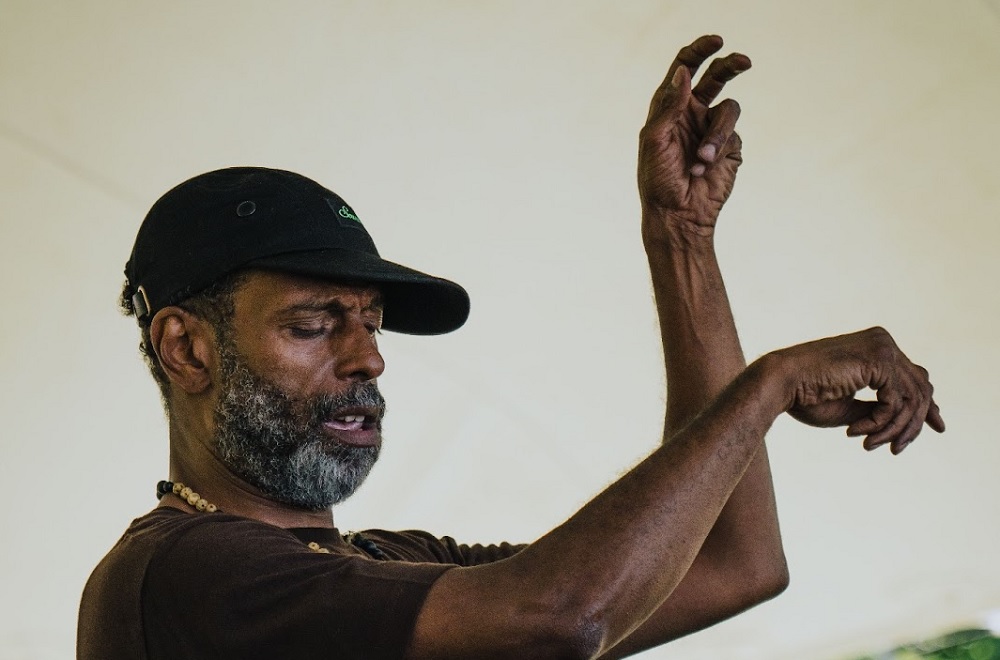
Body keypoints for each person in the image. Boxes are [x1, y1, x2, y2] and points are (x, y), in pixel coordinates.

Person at [78, 34, 944, 659]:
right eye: (312, 324)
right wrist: (771, 385)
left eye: (372, 324)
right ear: (186, 349)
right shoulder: (180, 574)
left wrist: (682, 242)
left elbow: (730, 564)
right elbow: (562, 618)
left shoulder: (386, 565)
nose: (368, 359)